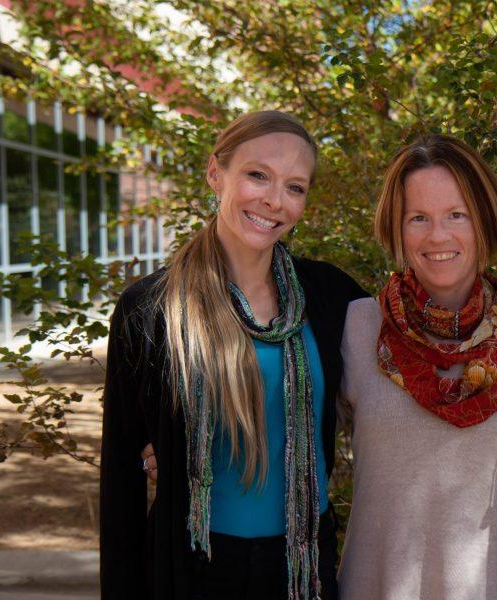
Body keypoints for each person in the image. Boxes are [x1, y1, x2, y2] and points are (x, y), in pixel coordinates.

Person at [100, 110, 366, 600]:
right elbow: (120, 479)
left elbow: (400, 379)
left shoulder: (332, 296)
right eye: (257, 175)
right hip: (194, 567)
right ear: (215, 174)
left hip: (304, 567)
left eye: (295, 187)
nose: (273, 200)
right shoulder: (152, 309)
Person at [337, 134, 497, 600]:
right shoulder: (357, 327)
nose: (438, 235)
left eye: (457, 215)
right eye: (419, 218)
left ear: (483, 221)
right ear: (397, 230)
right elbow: (283, 435)